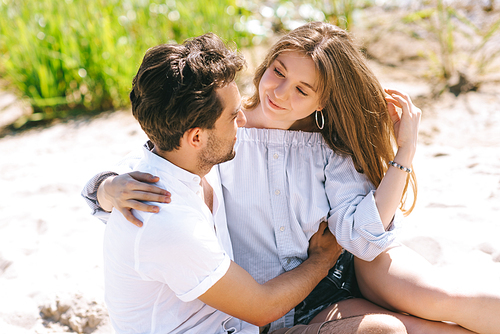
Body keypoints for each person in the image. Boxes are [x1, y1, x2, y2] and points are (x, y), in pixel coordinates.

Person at [83, 23, 500, 334]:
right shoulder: (220, 136)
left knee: (446, 299)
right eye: (278, 72)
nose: (280, 92)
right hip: (286, 303)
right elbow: (154, 165)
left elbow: (360, 235)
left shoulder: (326, 148)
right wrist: (105, 187)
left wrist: (404, 153)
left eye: (303, 90)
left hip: (350, 266)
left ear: (323, 101)